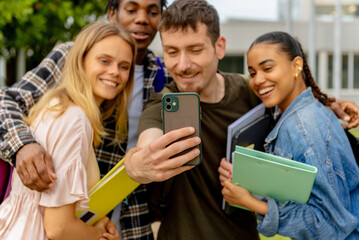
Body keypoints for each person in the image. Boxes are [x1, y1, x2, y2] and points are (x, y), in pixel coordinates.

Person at [0, 0, 170, 239]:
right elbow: (58, 227)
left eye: (124, 66)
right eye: (104, 61)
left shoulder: (160, 75)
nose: (114, 72)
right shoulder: (74, 117)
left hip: (111, 216)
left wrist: (96, 224)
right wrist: (22, 145)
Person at [220, 31, 359, 239]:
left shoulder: (303, 129)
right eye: (252, 72)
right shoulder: (308, 109)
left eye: (267, 68)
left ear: (296, 66)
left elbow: (330, 225)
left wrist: (251, 203)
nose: (258, 80)